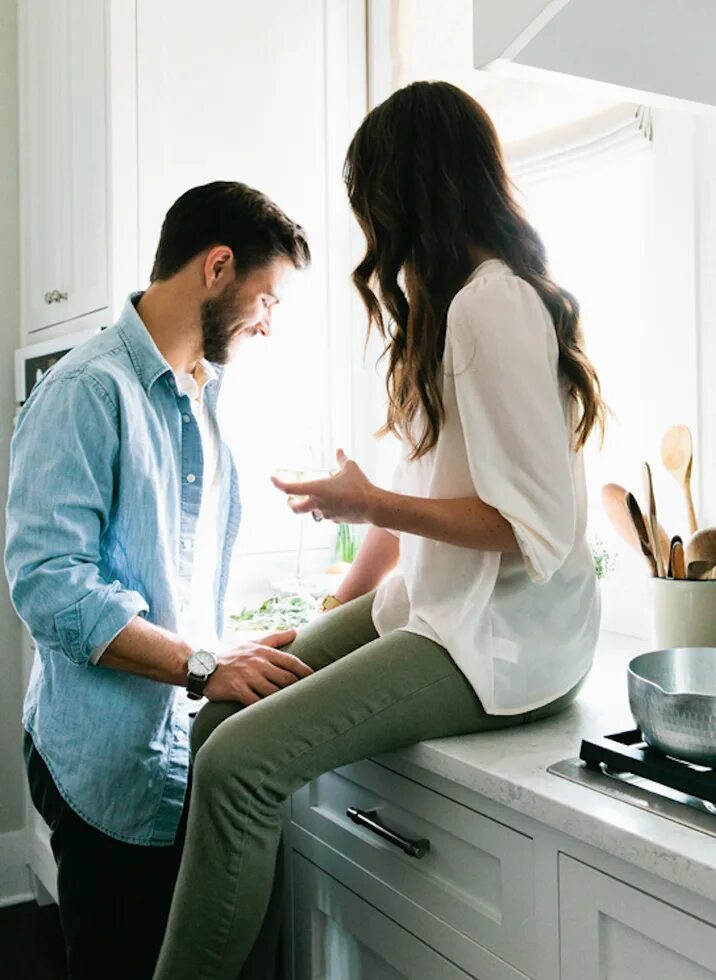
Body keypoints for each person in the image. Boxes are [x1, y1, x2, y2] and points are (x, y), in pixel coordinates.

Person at [152, 81, 605, 980]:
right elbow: (417, 496)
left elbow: (535, 528)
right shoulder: (450, 307)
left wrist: (368, 507)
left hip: (505, 644)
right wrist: (335, 610)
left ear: (408, 190)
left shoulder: (491, 304)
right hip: (442, 611)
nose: (371, 228)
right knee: (224, 716)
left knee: (239, 767)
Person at [4, 181, 313, 980]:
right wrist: (203, 666)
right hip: (101, 762)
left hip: (167, 748)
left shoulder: (199, 396)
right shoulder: (86, 391)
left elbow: (165, 572)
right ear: (217, 267)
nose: (268, 323)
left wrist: (217, 645)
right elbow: (48, 584)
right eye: (267, 299)